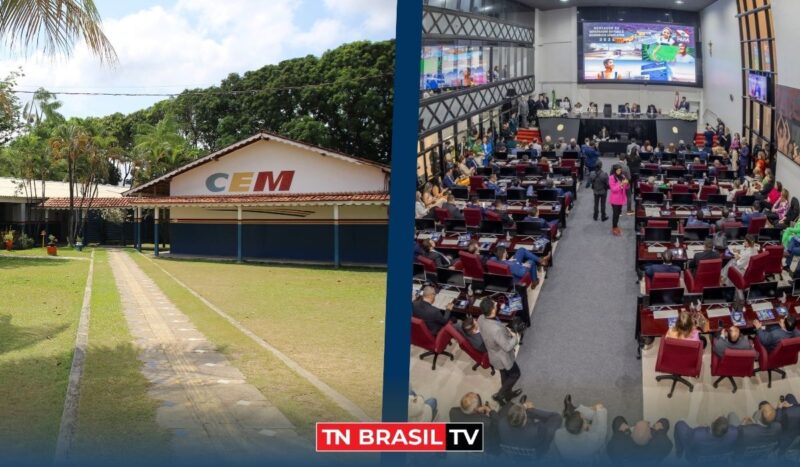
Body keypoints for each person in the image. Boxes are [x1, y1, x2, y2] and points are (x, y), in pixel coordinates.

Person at [479, 298, 522, 405]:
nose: (497, 304)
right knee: (515, 374)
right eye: (495, 304)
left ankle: (508, 395)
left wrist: (505, 331)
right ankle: (500, 394)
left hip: (493, 355)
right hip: (503, 357)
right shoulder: (496, 330)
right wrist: (516, 336)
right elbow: (507, 347)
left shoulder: (480, 318)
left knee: (504, 375)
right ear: (492, 310)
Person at [555, 395, 607, 463]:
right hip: (588, 460)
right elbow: (601, 430)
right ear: (584, 427)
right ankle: (574, 409)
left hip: (569, 459)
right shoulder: (593, 441)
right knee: (597, 413)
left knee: (576, 416)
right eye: (584, 419)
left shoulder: (558, 435)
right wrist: (600, 410)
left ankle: (571, 410)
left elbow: (571, 424)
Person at [607, 416, 673, 463]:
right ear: (650, 436)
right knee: (664, 421)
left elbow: (611, 448)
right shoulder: (659, 445)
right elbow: (668, 444)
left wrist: (620, 432)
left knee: (618, 419)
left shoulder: (619, 443)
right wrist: (659, 431)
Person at [609, 164, 628, 236]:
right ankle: (614, 227)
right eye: (618, 170)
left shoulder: (622, 176)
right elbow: (613, 189)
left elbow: (626, 187)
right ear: (614, 170)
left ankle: (616, 225)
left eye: (620, 170)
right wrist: (621, 184)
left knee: (619, 213)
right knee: (615, 214)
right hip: (615, 199)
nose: (619, 171)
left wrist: (626, 183)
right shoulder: (611, 178)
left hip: (621, 198)